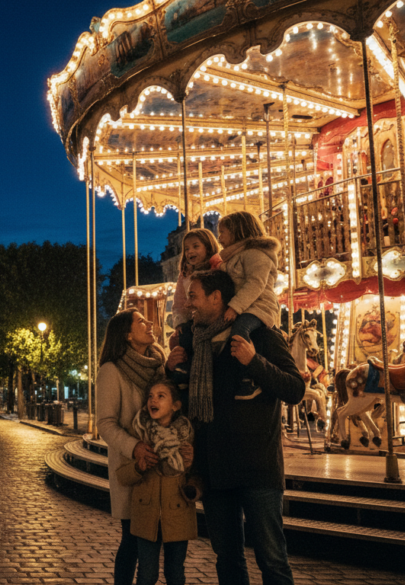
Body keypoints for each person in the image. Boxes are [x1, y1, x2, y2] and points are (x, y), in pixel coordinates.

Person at [166, 270, 305, 585]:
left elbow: (295, 389)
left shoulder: (261, 336)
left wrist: (254, 360)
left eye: (193, 296)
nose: (188, 305)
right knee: (227, 557)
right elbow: (183, 403)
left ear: (216, 298)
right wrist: (171, 368)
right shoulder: (197, 346)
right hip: (215, 468)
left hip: (258, 467)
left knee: (271, 558)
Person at [95, 308, 166, 585]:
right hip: (131, 465)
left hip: (159, 464)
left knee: (153, 540)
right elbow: (106, 423)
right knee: (134, 539)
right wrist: (134, 446)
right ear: (126, 334)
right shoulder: (111, 370)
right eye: (141, 321)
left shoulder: (158, 364)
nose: (149, 324)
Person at [115, 376, 199, 585]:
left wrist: (191, 476)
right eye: (151, 396)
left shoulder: (187, 436)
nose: (154, 400)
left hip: (178, 514)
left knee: (175, 573)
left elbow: (198, 478)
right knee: (147, 575)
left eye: (161, 396)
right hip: (146, 515)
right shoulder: (139, 434)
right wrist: (138, 467)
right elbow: (122, 475)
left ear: (175, 405)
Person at [208, 211, 281, 344]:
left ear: (237, 232)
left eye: (222, 232)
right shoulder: (236, 256)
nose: (219, 238)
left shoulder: (256, 254)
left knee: (239, 331)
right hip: (244, 307)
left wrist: (235, 307)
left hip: (259, 307)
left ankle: (246, 361)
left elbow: (255, 283)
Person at [171, 228, 221, 331]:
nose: (190, 251)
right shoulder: (185, 274)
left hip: (214, 317)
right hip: (192, 319)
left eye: (196, 246)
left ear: (208, 247)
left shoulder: (217, 268)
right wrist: (179, 321)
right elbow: (179, 301)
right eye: (187, 249)